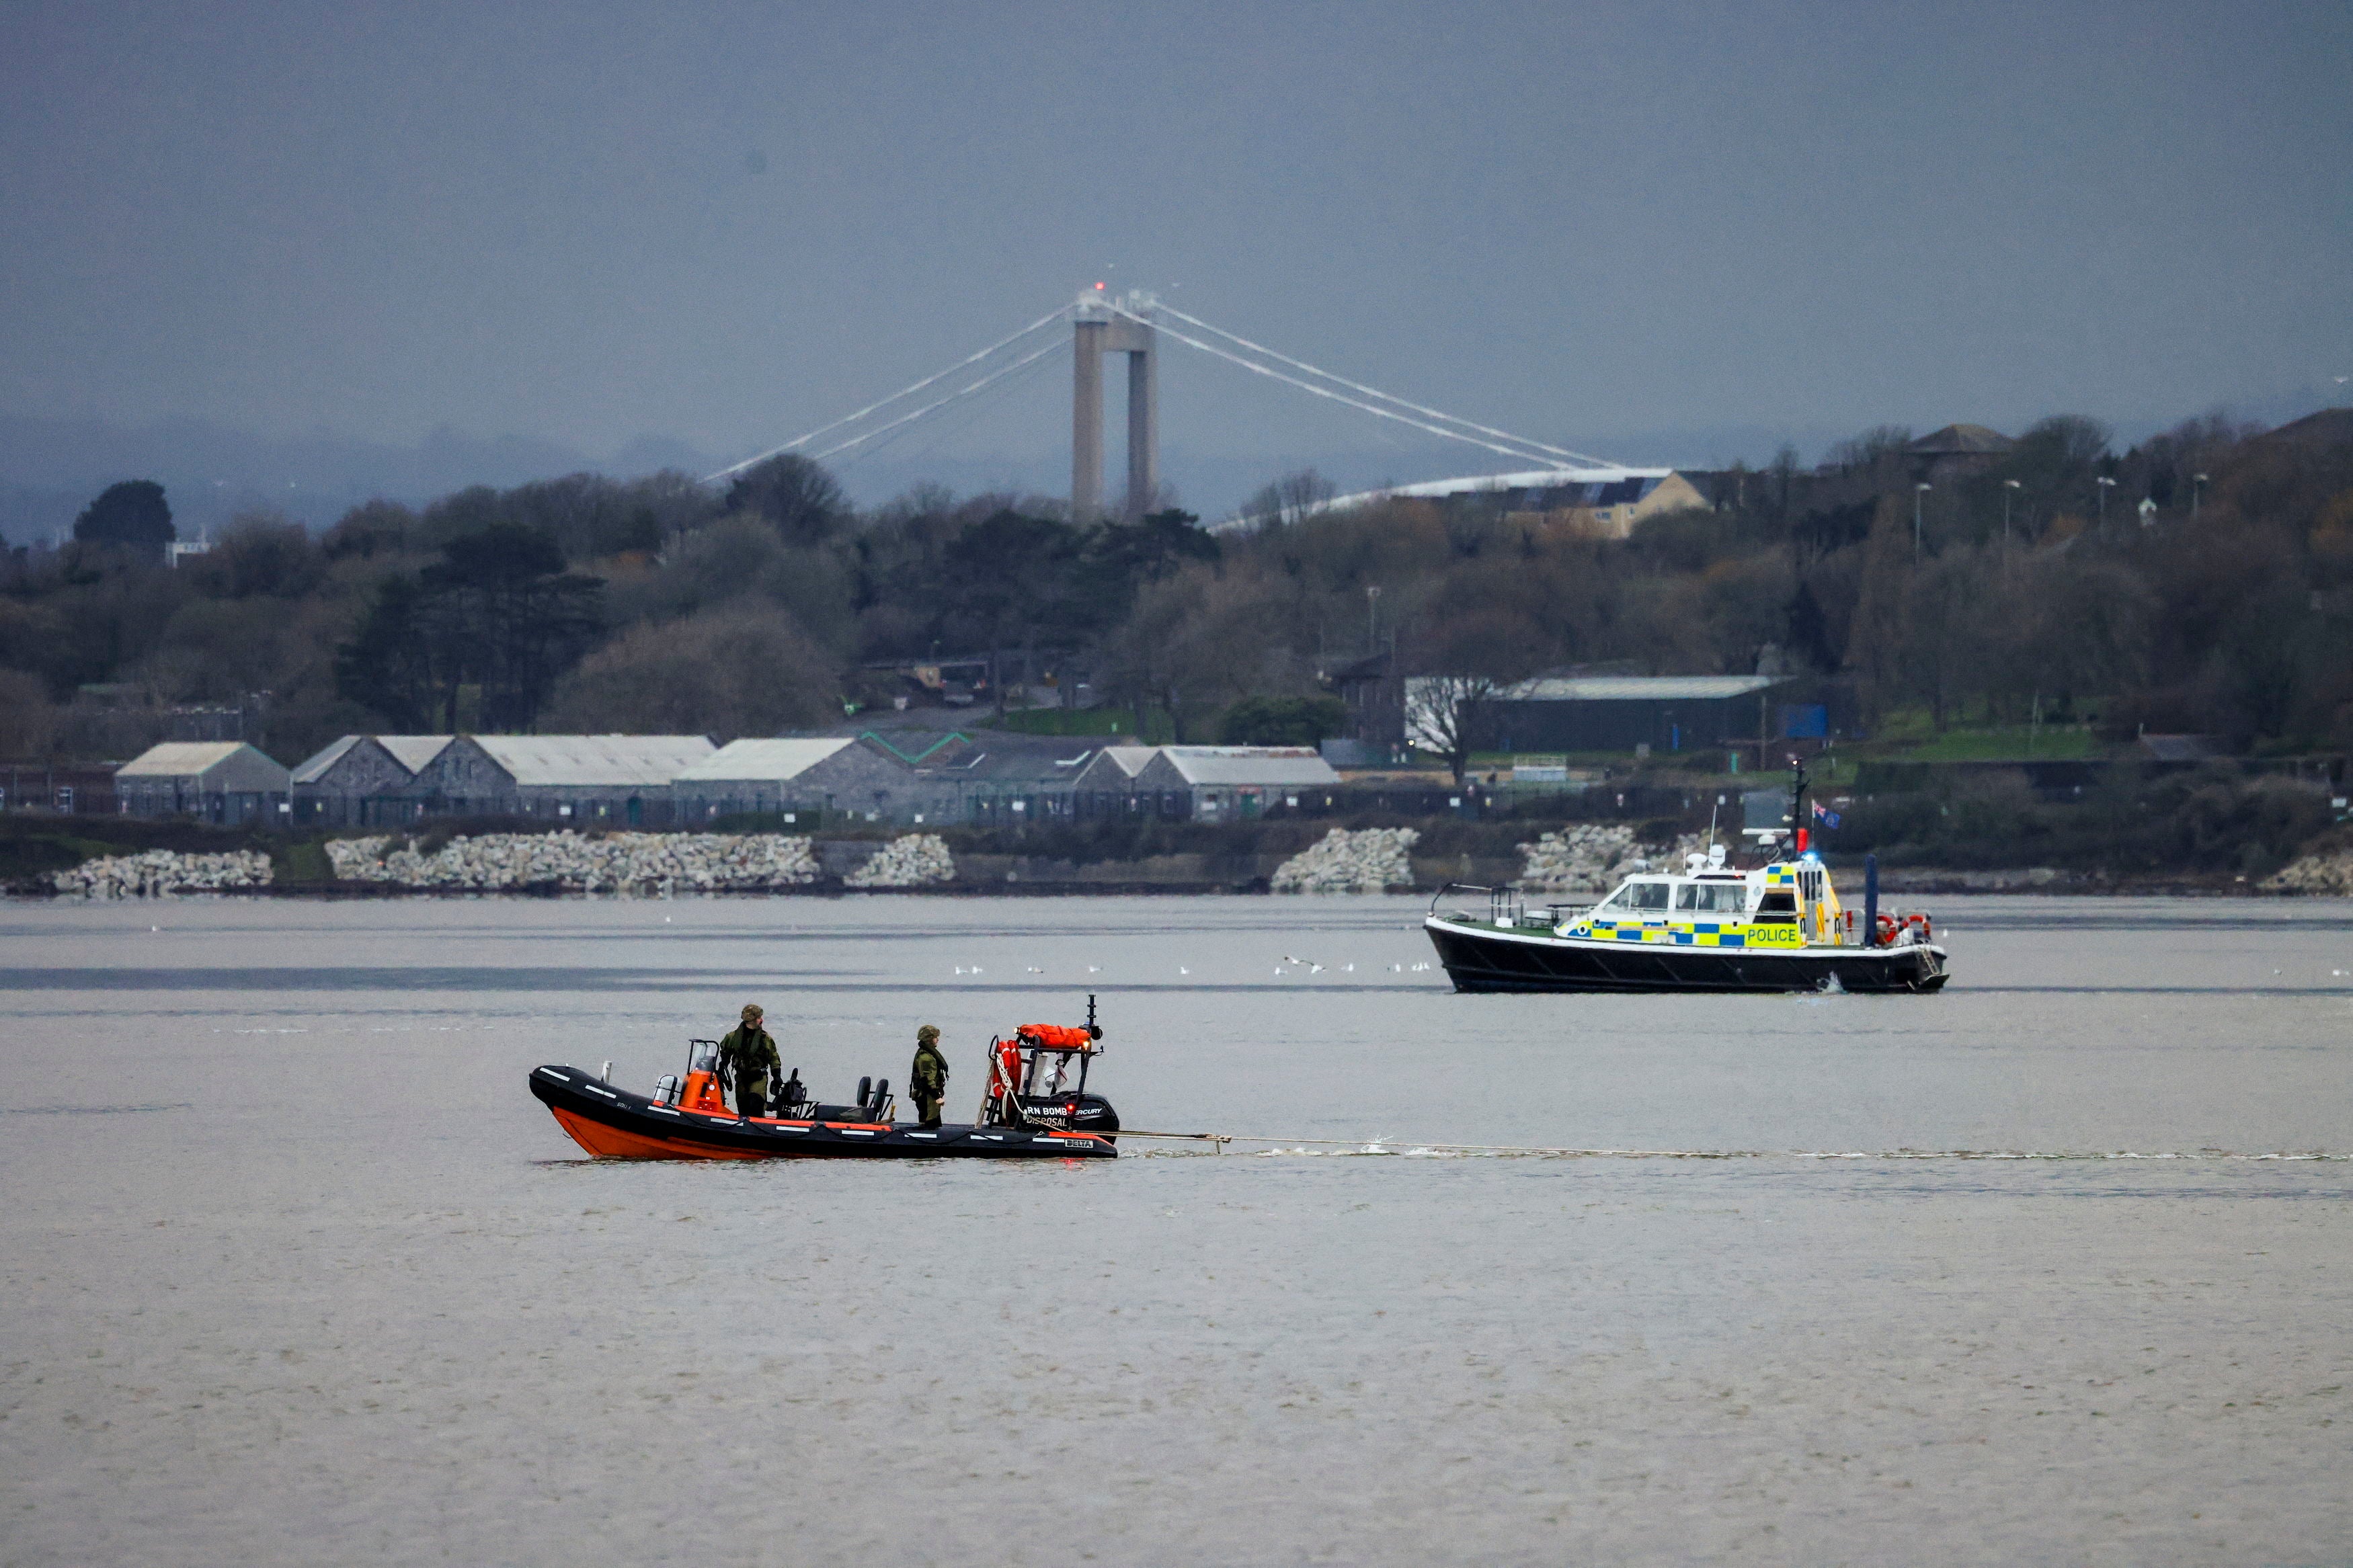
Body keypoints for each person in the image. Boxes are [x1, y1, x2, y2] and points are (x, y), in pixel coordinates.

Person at [719, 1003, 782, 1119]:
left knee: (755, 1103)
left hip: (758, 1077)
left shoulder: (765, 1039)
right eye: (759, 1018)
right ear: (751, 1020)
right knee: (743, 1107)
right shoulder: (733, 1037)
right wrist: (721, 1069)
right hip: (741, 1077)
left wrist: (776, 1075)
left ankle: (764, 1114)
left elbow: (773, 1058)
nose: (761, 1020)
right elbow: (725, 1054)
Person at [909, 1024, 950, 1128]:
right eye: (935, 1038)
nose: (937, 1040)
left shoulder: (925, 1054)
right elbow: (927, 1080)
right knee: (931, 1121)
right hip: (928, 1097)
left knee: (928, 1119)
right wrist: (937, 1097)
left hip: (926, 1095)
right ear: (929, 1039)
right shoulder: (926, 1058)